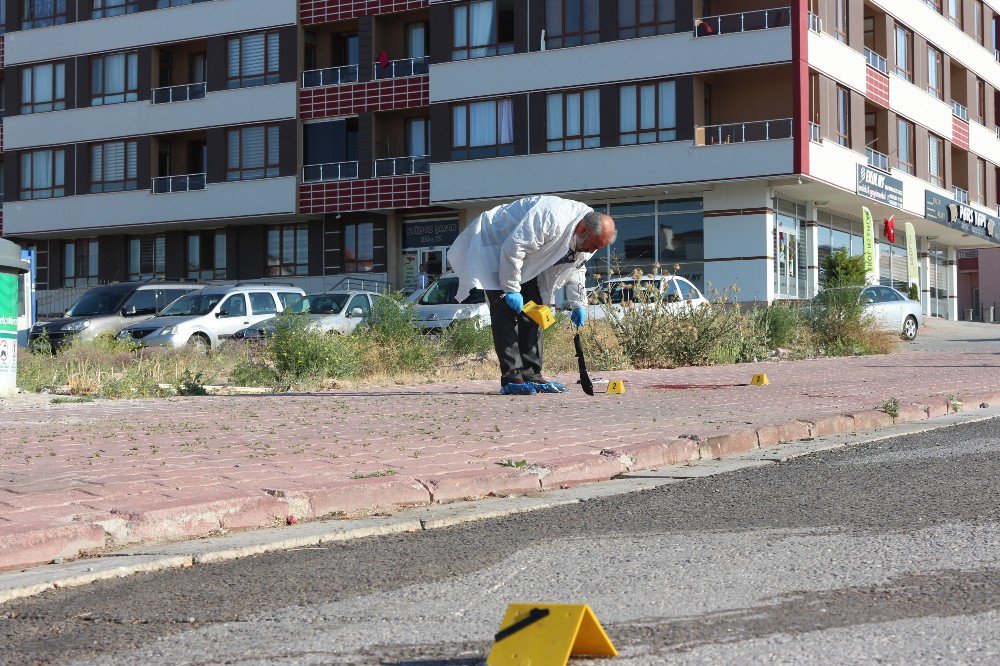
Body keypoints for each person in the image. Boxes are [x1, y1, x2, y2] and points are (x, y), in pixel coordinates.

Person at [448, 195, 617, 395]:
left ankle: (531, 374)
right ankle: (512, 377)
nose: (592, 251)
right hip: (494, 246)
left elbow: (576, 266)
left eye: (597, 248)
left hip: (528, 262)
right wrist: (511, 289)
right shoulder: (551, 217)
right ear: (582, 230)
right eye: (592, 246)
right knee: (505, 314)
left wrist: (578, 303)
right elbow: (513, 248)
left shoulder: (589, 234)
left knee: (534, 313)